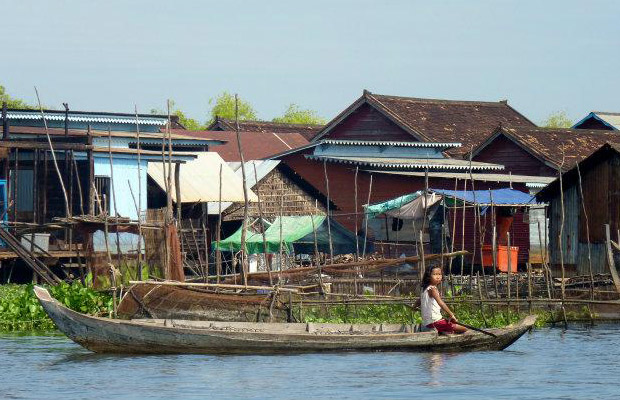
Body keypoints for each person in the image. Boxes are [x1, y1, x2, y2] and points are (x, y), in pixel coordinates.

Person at [420, 266, 467, 334]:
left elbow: (419, 300)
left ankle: (446, 331)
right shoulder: (433, 289)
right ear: (428, 276)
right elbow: (441, 303)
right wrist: (451, 315)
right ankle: (447, 332)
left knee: (450, 326)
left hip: (428, 323)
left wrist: (414, 307)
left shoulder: (425, 289)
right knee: (464, 328)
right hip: (435, 322)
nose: (438, 277)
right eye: (435, 274)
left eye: (439, 274)